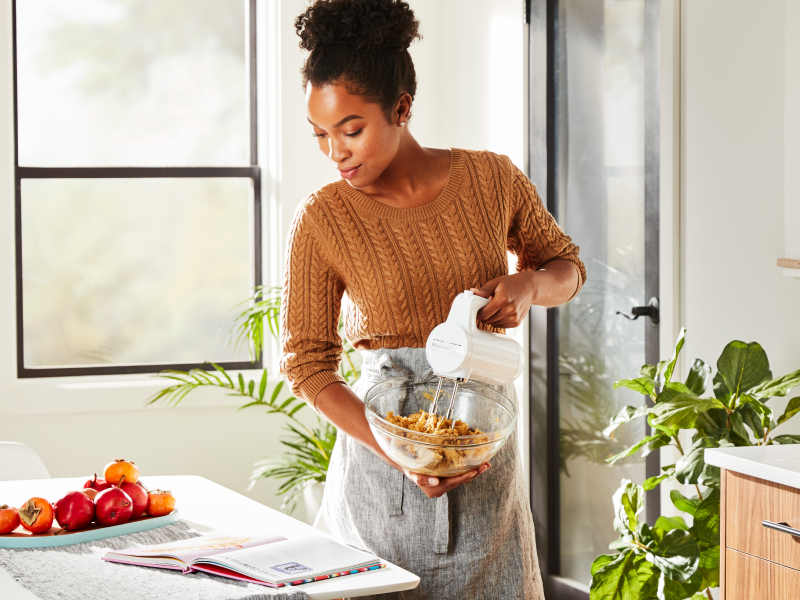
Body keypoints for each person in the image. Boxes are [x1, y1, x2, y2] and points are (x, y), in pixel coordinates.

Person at [279, 1, 586, 598]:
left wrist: (527, 285)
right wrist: (398, 449)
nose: (335, 153)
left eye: (351, 130)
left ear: (401, 108)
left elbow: (566, 268)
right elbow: (305, 362)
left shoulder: (492, 179)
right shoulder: (321, 219)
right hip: (379, 471)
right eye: (320, 135)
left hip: (484, 451)